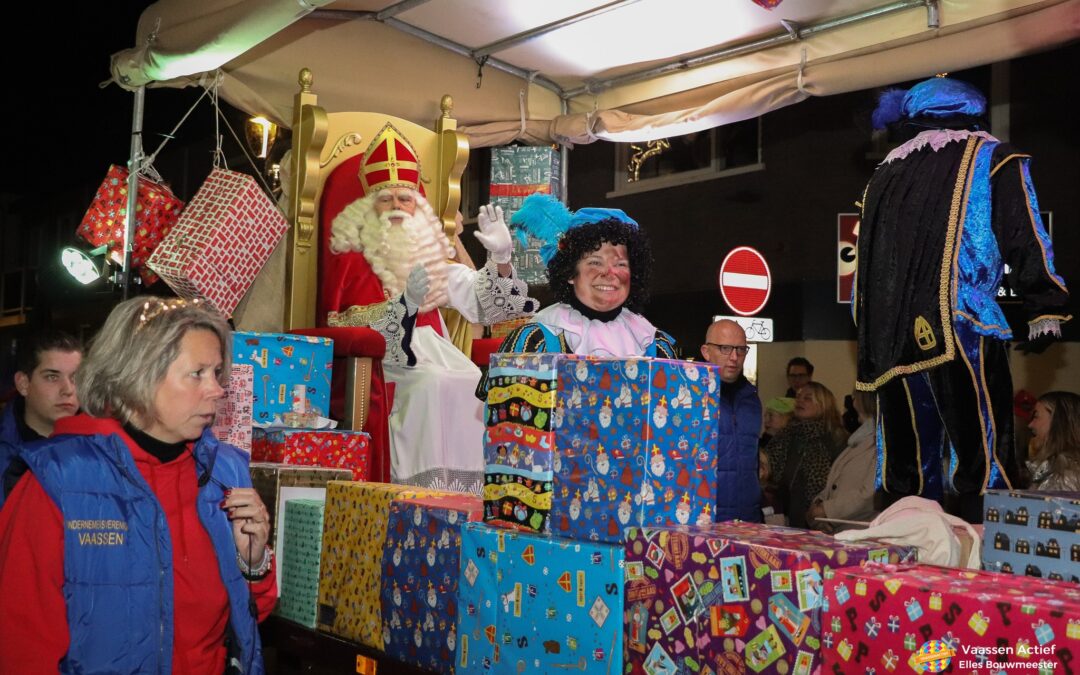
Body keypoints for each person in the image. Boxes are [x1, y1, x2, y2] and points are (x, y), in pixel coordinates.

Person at [0, 297, 276, 673]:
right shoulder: (59, 480)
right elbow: (21, 646)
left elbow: (252, 617)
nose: (217, 390)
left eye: (216, 373)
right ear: (138, 374)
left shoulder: (226, 472)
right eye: (197, 373)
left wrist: (254, 563)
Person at [855, 77, 1069, 516]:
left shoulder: (883, 176)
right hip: (959, 322)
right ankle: (982, 567)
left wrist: (872, 332)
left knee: (908, 470)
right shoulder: (992, 155)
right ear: (972, 112)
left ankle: (912, 567)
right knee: (982, 460)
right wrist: (1044, 303)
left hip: (890, 341)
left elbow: (866, 265)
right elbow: (1023, 228)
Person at [323, 123, 538, 492]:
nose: (396, 207)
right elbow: (345, 323)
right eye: (385, 198)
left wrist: (501, 258)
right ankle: (418, 494)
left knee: (472, 380)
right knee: (430, 381)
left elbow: (489, 305)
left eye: (405, 199)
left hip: (436, 353)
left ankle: (461, 496)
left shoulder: (429, 256)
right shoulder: (356, 257)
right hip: (385, 361)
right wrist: (405, 306)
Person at [489, 193, 677, 360]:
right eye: (595, 262)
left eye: (620, 264)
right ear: (570, 273)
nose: (610, 273)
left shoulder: (653, 344)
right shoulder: (536, 339)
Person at [0, 330, 83, 506]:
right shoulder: (5, 456)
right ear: (23, 384)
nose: (68, 389)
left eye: (76, 378)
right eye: (52, 377)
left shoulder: (106, 450)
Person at [701, 319, 762, 522]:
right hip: (705, 519)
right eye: (725, 348)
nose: (734, 357)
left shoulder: (752, 399)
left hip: (749, 518)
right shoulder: (690, 399)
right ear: (706, 351)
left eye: (741, 349)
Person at [763, 382, 847, 528]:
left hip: (820, 520)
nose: (799, 401)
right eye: (798, 397)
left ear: (823, 404)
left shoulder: (836, 439)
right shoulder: (785, 435)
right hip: (784, 517)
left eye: (807, 398)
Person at [807, 390, 879, 532]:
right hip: (837, 530)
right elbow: (833, 484)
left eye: (855, 395)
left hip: (861, 532)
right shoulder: (858, 440)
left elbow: (872, 494)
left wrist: (827, 510)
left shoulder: (882, 444)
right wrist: (817, 506)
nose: (852, 400)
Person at [1025, 391, 1080, 491]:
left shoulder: (1065, 477)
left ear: (1059, 422)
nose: (1031, 425)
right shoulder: (1050, 470)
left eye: (1036, 416)